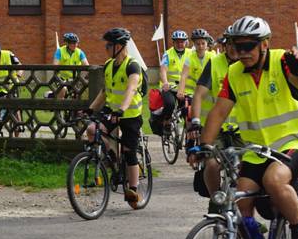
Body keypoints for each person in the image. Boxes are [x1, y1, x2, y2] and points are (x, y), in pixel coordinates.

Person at [194, 15, 298, 239]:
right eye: (236, 47)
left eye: (248, 46)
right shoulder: (234, 73)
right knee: (241, 198)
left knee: (274, 180)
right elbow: (219, 111)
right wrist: (204, 146)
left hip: (295, 142)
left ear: (264, 44)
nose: (241, 52)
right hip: (258, 150)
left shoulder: (283, 60)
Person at [85, 28, 144, 209]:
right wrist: (90, 109)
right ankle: (112, 159)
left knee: (129, 151)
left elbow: (131, 88)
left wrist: (123, 109)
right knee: (92, 130)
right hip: (112, 111)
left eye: (108, 45)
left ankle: (133, 190)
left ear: (119, 46)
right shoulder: (109, 65)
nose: (106, 48)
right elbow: (105, 92)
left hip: (130, 115)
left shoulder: (132, 66)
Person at [189, 26, 242, 198]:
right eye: (229, 45)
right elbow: (198, 94)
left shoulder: (247, 64)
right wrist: (195, 120)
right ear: (224, 46)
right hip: (216, 129)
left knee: (247, 169)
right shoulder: (214, 64)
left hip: (242, 130)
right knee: (212, 164)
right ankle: (215, 199)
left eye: (237, 45)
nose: (233, 49)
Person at [158, 30, 192, 127]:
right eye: (177, 42)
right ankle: (167, 121)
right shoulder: (167, 54)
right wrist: (165, 82)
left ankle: (188, 131)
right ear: (173, 43)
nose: (180, 44)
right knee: (170, 104)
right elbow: (163, 70)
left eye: (182, 41)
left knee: (188, 109)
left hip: (185, 88)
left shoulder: (191, 53)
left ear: (186, 42)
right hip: (170, 87)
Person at [178, 28, 215, 101]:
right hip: (192, 93)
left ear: (207, 43)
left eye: (203, 43)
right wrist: (180, 91)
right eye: (198, 44)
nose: (201, 46)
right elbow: (183, 76)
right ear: (194, 44)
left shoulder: (213, 56)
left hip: (209, 93)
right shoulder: (189, 58)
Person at [51, 32, 89, 99]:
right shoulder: (60, 51)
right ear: (67, 43)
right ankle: (59, 107)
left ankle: (74, 109)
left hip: (75, 79)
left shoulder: (80, 52)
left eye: (76, 43)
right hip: (61, 78)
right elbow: (55, 66)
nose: (75, 45)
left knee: (80, 93)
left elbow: (87, 65)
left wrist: (87, 75)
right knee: (63, 89)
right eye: (73, 43)